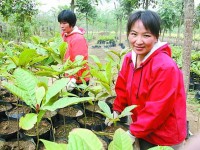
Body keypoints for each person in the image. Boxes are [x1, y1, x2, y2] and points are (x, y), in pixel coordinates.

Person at [105, 10, 187, 150]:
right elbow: (123, 88)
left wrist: (133, 132)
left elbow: (157, 109)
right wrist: (117, 110)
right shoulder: (129, 59)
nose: (138, 41)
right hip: (143, 129)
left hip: (164, 136)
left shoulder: (165, 67)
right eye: (134, 34)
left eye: (146, 35)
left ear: (156, 37)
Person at [57, 10, 89, 97]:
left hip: (79, 78)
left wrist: (74, 78)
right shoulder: (64, 35)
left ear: (71, 23)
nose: (61, 26)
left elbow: (80, 61)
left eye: (64, 23)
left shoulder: (78, 39)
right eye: (60, 23)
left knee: (81, 104)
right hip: (69, 75)